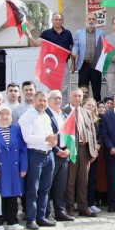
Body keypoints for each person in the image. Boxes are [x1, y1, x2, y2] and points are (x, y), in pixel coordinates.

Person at [19, 91, 56, 229]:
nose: (42, 103)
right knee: (33, 189)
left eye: (45, 101)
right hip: (35, 155)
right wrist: (46, 139)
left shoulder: (46, 116)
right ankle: (31, 219)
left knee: (45, 189)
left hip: (48, 154)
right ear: (34, 100)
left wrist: (52, 141)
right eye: (40, 100)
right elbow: (27, 137)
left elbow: (50, 135)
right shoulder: (27, 117)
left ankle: (41, 217)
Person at [64, 88, 99, 216]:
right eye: (75, 96)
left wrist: (93, 151)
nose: (78, 98)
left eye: (80, 96)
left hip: (85, 149)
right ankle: (69, 207)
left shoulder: (87, 113)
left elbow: (92, 132)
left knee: (84, 180)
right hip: (72, 148)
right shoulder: (64, 112)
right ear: (70, 98)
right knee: (70, 180)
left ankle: (83, 206)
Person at [0, 105, 27, 230]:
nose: (5, 117)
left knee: (13, 195)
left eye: (7, 114)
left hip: (14, 168)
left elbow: (23, 149)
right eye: (2, 114)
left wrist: (23, 167)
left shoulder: (16, 129)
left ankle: (13, 221)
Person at [44, 90, 74, 222]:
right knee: (48, 185)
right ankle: (46, 213)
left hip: (64, 154)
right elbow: (46, 136)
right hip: (52, 153)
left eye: (60, 98)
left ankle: (60, 211)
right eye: (55, 98)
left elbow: (68, 133)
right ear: (49, 100)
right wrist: (56, 150)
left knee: (61, 186)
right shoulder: (45, 115)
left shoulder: (64, 115)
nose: (58, 101)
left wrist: (68, 149)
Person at [74, 15, 105, 101]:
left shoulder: (101, 33)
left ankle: (97, 110)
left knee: (96, 90)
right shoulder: (78, 33)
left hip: (96, 65)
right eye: (89, 19)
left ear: (96, 21)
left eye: (93, 19)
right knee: (82, 90)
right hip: (83, 65)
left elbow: (104, 48)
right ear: (86, 20)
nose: (91, 21)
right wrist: (74, 51)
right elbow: (76, 45)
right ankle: (81, 108)